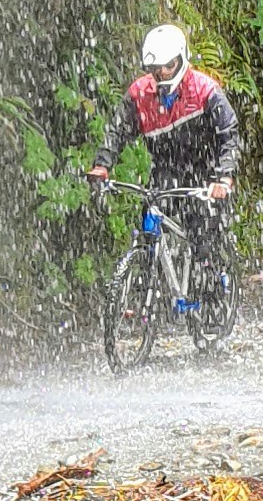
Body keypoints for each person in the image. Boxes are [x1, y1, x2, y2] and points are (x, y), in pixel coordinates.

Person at [89, 24, 242, 297]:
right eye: (156, 68)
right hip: (165, 170)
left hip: (206, 172)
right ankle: (150, 287)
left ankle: (210, 287)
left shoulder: (205, 91)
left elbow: (229, 135)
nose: (162, 73)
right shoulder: (139, 95)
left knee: (202, 230)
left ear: (182, 59)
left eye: (168, 66)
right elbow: (117, 131)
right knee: (150, 217)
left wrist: (224, 176)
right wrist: (102, 165)